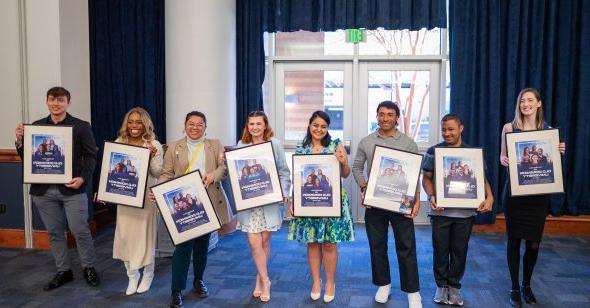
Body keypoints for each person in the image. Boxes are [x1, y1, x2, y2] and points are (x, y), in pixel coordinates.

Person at [14, 86, 100, 291]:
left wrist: (82, 178)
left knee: (80, 230)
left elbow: (91, 156)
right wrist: (20, 140)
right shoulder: (36, 127)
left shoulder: (80, 127)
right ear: (47, 101)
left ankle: (89, 267)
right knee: (54, 233)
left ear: (68, 103)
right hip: (43, 192)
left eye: (60, 100)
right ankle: (64, 270)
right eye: (52, 100)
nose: (56, 104)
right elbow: (29, 159)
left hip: (73, 189)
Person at [153, 111, 232, 308]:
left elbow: (224, 167)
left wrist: (213, 174)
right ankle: (176, 290)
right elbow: (166, 173)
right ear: (185, 125)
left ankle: (198, 280)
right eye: (191, 124)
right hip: (183, 205)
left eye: (199, 124)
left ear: (205, 127)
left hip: (207, 201)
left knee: (201, 247)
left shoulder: (215, 145)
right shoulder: (174, 147)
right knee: (182, 247)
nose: (195, 127)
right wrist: (159, 191)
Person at [500, 88, 566, 307]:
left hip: (538, 198)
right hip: (515, 195)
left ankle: (527, 284)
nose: (525, 104)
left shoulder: (549, 133)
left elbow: (550, 167)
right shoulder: (509, 128)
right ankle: (514, 287)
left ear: (539, 103)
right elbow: (503, 156)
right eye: (522, 101)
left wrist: (558, 151)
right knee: (513, 241)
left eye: (529, 100)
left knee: (534, 244)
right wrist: (504, 159)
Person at [352, 101, 422, 307]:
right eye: (381, 114)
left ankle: (413, 292)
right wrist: (364, 187)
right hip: (375, 203)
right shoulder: (366, 142)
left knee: (406, 246)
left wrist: (416, 200)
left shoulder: (408, 143)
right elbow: (357, 167)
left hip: (401, 202)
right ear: (377, 116)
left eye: (390, 115)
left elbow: (414, 174)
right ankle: (383, 284)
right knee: (377, 246)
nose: (385, 118)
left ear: (396, 118)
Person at [421, 113, 494, 306]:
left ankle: (454, 287)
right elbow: (426, 178)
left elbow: (481, 178)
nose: (447, 133)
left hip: (465, 212)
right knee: (440, 250)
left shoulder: (473, 153)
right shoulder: (433, 151)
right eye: (444, 129)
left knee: (460, 250)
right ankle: (441, 286)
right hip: (440, 211)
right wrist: (431, 196)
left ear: (461, 128)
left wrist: (490, 196)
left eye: (451, 129)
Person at [288, 110, 354, 303]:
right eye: (315, 125)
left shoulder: (335, 145)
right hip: (308, 202)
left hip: (331, 202)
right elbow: (298, 178)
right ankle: (316, 282)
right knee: (313, 242)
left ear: (328, 128)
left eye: (323, 126)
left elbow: (345, 174)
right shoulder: (302, 147)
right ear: (310, 126)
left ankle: (330, 283)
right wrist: (293, 200)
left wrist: (343, 162)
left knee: (329, 243)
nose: (319, 129)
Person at [234, 111, 291, 303]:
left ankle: (259, 279)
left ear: (265, 125)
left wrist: (284, 192)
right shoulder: (241, 145)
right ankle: (266, 281)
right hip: (249, 203)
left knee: (265, 243)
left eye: (259, 123)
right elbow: (236, 174)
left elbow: (283, 171)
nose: (255, 127)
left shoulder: (275, 144)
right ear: (247, 126)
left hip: (270, 201)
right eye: (252, 124)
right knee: (253, 243)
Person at [111, 107, 163, 295]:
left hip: (146, 200)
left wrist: (150, 156)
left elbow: (158, 172)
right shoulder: (119, 142)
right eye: (131, 121)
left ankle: (148, 274)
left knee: (145, 237)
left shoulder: (153, 143)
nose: (134, 125)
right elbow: (112, 170)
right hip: (124, 197)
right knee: (125, 237)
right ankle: (132, 275)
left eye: (139, 122)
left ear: (145, 124)